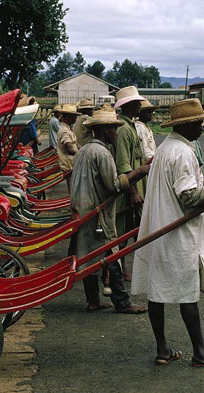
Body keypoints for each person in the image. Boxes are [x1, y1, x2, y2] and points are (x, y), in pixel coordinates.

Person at [131, 98, 204, 366]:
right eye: (199, 123)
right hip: (176, 233)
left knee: (157, 290)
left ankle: (163, 350)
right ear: (186, 125)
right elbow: (189, 197)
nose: (202, 128)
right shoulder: (183, 153)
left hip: (160, 227)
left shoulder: (168, 147)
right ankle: (201, 352)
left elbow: (184, 185)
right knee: (187, 291)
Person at [70, 106, 150, 314]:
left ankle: (93, 300)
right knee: (112, 256)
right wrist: (139, 172)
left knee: (87, 255)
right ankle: (122, 302)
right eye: (113, 129)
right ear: (105, 130)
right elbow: (114, 186)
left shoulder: (84, 151)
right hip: (98, 215)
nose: (116, 132)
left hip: (83, 210)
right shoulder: (102, 153)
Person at [113, 86, 148, 281]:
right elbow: (123, 165)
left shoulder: (130, 126)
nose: (139, 106)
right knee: (122, 233)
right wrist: (133, 192)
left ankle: (121, 270)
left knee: (128, 231)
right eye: (136, 103)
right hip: (128, 189)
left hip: (134, 186)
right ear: (128, 106)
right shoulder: (125, 129)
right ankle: (117, 272)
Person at [55, 104, 81, 192]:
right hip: (69, 166)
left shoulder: (68, 129)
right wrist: (81, 153)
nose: (76, 118)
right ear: (67, 117)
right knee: (73, 192)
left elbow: (75, 144)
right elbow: (70, 148)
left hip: (72, 165)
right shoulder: (64, 130)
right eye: (74, 116)